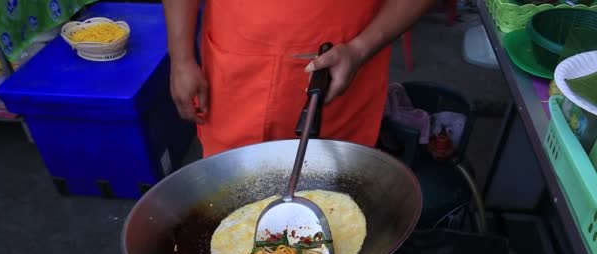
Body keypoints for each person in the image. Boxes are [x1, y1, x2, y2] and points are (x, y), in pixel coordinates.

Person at [163, 0, 435, 158]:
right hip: (233, 77)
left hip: (338, 77)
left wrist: (360, 49)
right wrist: (181, 57)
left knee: (328, 210)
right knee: (231, 208)